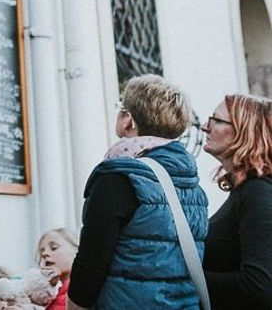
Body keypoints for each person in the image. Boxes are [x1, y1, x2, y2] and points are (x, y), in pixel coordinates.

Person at [67, 74, 208, 309]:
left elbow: (91, 262)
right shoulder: (193, 185)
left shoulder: (118, 177)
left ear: (129, 121)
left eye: (121, 107)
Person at [201, 93, 272, 308]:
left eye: (217, 120)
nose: (205, 126)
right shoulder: (246, 190)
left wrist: (187, 278)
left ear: (246, 132)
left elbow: (259, 287)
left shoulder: (258, 192)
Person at [36, 228, 77, 310]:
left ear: (76, 251)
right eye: (41, 252)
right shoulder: (39, 297)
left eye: (54, 248)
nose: (44, 254)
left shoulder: (86, 291)